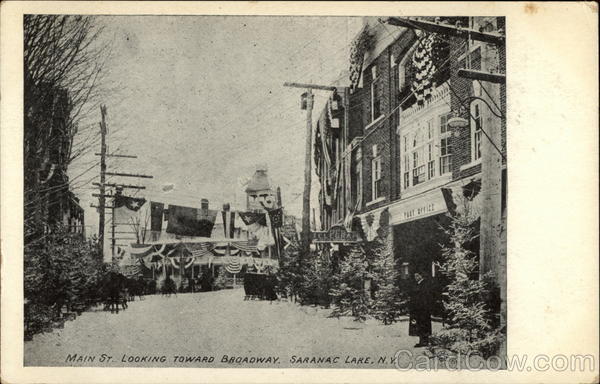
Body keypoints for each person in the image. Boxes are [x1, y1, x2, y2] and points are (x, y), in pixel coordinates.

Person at [408, 272, 433, 347]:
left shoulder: (424, 285)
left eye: (417, 276)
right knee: (419, 324)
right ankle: (422, 340)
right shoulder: (418, 284)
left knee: (423, 324)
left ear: (421, 276)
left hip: (423, 308)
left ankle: (424, 341)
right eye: (415, 276)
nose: (415, 277)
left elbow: (425, 297)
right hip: (418, 308)